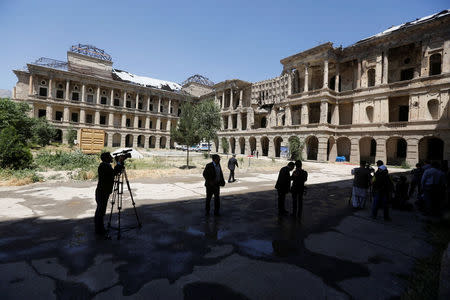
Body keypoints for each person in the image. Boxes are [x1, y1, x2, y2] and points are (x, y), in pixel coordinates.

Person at [95, 152, 123, 237]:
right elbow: (113, 173)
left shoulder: (104, 165)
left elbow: (111, 175)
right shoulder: (105, 166)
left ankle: (99, 229)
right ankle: (100, 230)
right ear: (107, 158)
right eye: (110, 157)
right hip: (102, 192)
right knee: (101, 211)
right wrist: (119, 162)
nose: (112, 158)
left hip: (101, 191)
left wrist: (119, 163)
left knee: (100, 211)